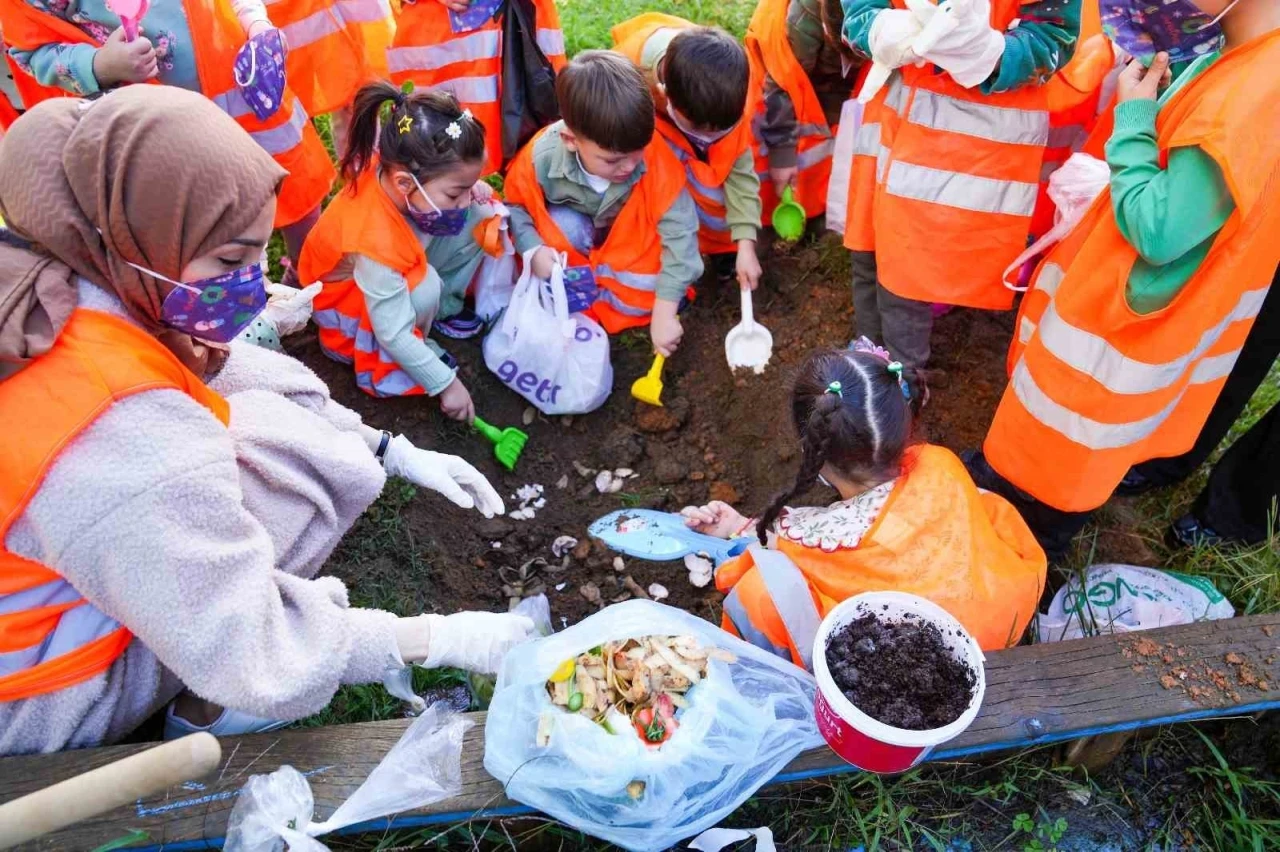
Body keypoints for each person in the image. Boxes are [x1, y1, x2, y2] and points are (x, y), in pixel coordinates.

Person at [0, 86, 527, 755]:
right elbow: (255, 644)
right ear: (141, 239)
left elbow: (237, 370)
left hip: (44, 577)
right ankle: (205, 710)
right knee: (301, 469)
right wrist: (437, 638)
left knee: (275, 413)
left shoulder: (64, 271)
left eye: (258, 254)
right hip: (38, 695)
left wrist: (392, 449)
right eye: (229, 262)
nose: (255, 285)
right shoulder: (119, 435)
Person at [966, 0, 1280, 559]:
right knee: (1049, 454)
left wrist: (1133, 121)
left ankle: (1009, 570)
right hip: (1123, 324)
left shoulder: (1255, 92)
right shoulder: (1244, 53)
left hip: (1115, 339)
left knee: (1039, 491)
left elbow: (1159, 230)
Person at [684, 345, 1046, 661]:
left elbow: (772, 550)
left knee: (758, 593)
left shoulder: (810, 537)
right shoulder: (939, 462)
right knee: (981, 504)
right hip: (999, 618)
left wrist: (734, 531)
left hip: (922, 671)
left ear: (813, 450)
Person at [840, 0, 1084, 369]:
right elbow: (862, 8)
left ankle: (902, 383)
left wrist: (993, 55)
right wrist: (872, 27)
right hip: (889, 130)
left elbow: (1052, 35)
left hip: (962, 151)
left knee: (909, 275)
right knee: (868, 254)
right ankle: (868, 360)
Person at [0, 0, 334, 266]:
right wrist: (101, 64)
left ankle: (312, 271)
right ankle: (244, 304)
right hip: (161, 122)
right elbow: (32, 49)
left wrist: (255, 23)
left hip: (243, 83)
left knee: (295, 179)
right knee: (204, 219)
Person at [298, 81, 496, 420]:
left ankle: (441, 312)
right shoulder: (373, 241)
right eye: (454, 193)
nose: (462, 199)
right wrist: (445, 383)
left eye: (466, 186)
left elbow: (450, 194)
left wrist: (469, 188)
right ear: (405, 183)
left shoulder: (399, 165)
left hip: (385, 269)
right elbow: (391, 332)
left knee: (480, 214)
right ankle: (407, 349)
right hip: (347, 308)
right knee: (424, 287)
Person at [503, 50, 703, 357]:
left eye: (638, 151)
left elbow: (681, 231)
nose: (628, 167)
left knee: (663, 280)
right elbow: (515, 206)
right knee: (564, 228)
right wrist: (532, 249)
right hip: (577, 237)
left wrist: (665, 309)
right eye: (613, 160)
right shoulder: (539, 160)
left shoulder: (655, 157)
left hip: (632, 238)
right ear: (571, 140)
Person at [611, 14, 763, 290]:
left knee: (714, 193)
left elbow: (740, 175)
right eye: (701, 130)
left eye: (718, 132)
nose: (709, 139)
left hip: (677, 119)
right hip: (646, 133)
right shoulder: (624, 80)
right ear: (663, 92)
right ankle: (666, 260)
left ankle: (722, 252)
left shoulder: (729, 90)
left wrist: (745, 244)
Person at [387, 0, 566, 174]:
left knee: (536, 112)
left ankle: (525, 173)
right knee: (436, 137)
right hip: (439, 32)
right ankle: (447, 184)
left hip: (520, 23)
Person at [746, 0, 863, 222]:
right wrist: (782, 156)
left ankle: (822, 206)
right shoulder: (801, 24)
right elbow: (781, 86)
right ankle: (769, 216)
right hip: (781, 77)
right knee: (772, 143)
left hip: (837, 78)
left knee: (832, 138)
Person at [261, 0, 396, 156]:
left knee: (353, 90)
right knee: (296, 105)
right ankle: (329, 169)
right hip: (281, 19)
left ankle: (365, 171)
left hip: (331, 16)